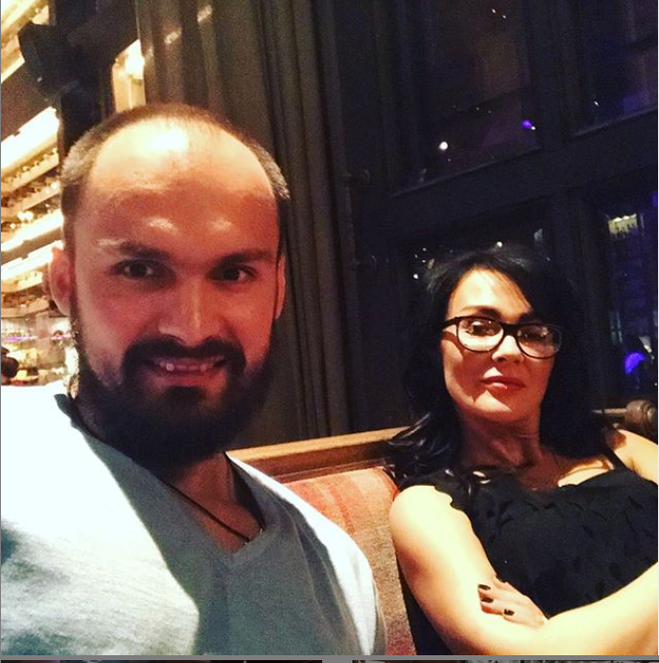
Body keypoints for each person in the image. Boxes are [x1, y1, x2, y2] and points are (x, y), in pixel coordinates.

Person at [1, 103, 384, 655]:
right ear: (64, 282)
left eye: (234, 273)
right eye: (140, 270)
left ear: (278, 290)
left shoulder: (339, 570)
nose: (191, 327)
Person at [388, 244, 657, 654]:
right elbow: (523, 653)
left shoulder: (619, 447)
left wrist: (560, 630)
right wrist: (552, 643)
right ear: (434, 348)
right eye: (479, 327)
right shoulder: (427, 507)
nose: (509, 350)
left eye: (533, 334)